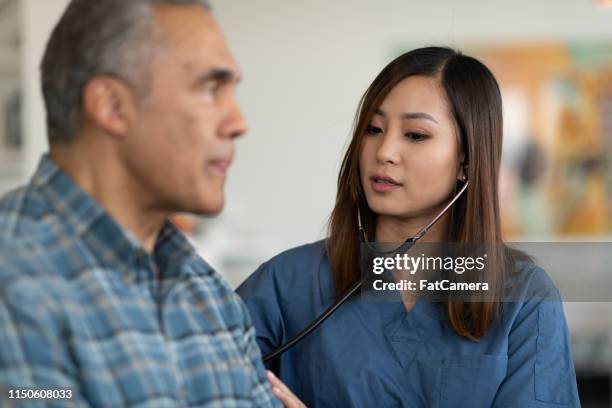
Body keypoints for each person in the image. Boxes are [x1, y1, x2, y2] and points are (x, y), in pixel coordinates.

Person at [237, 47, 581, 407]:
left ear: (467, 159)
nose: (384, 150)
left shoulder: (524, 298)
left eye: (415, 135)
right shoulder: (286, 283)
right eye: (373, 129)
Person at [0, 0, 304, 406]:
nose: (238, 122)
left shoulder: (211, 297)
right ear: (112, 106)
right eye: (211, 88)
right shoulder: (14, 285)